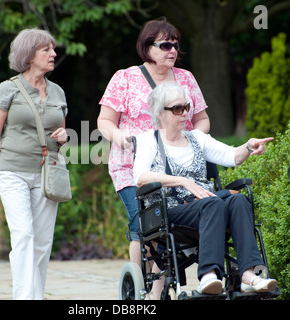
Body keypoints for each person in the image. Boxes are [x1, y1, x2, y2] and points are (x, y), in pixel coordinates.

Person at [133, 81, 277, 297]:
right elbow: (140, 177)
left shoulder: (196, 138)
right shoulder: (149, 141)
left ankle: (248, 275)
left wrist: (248, 147)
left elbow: (231, 156)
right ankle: (209, 276)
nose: (184, 114)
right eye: (177, 109)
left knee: (238, 200)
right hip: (170, 210)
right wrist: (182, 181)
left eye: (186, 107)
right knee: (213, 203)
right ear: (160, 113)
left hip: (208, 205)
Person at [97, 17, 210, 264]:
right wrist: (122, 138)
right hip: (132, 166)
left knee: (168, 224)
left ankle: (161, 281)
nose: (172, 51)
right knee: (143, 223)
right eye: (165, 45)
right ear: (147, 47)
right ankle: (142, 285)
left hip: (177, 165)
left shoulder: (186, 79)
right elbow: (104, 121)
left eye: (176, 45)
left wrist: (195, 141)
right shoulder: (124, 78)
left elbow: (202, 120)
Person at [0, 28, 69, 300]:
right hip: (12, 172)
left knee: (42, 244)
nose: (53, 54)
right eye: (46, 50)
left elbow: (61, 135)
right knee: (23, 236)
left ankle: (36, 296)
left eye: (53, 49)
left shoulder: (58, 93)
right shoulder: (7, 89)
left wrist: (65, 137)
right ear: (29, 55)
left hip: (46, 173)